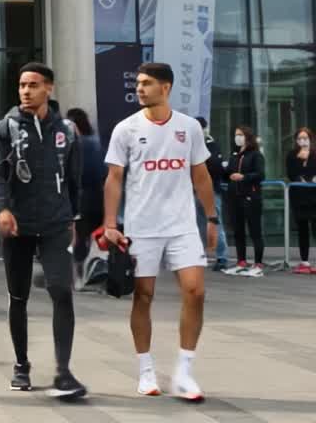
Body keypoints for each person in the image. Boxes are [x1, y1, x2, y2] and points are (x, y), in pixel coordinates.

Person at [102, 62, 217, 401]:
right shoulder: (125, 129)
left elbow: (201, 176)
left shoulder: (189, 128)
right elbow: (114, 178)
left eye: (147, 83)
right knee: (144, 296)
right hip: (142, 227)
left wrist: (212, 218)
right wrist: (110, 224)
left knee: (195, 292)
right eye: (138, 82)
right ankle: (146, 369)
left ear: (165, 87)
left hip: (182, 226)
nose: (140, 88)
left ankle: (184, 371)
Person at [0, 62, 86, 400]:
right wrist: (1, 209)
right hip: (18, 227)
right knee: (19, 296)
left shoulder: (67, 130)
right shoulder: (7, 127)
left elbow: (74, 179)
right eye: (22, 85)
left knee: (61, 291)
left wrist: (73, 216)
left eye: (33, 85)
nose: (26, 91)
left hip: (56, 225)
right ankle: (21, 364)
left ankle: (64, 371)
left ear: (49, 89)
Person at [65, 108, 104, 285]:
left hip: (81, 198)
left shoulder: (74, 144)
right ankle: (96, 271)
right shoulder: (96, 143)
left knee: (78, 237)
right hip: (98, 196)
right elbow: (103, 171)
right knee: (93, 236)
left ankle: (78, 276)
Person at [226, 126, 266, 277]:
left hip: (251, 197)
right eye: (236, 135)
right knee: (238, 231)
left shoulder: (255, 155)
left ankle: (258, 263)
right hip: (235, 197)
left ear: (247, 137)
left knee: (255, 231)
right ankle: (241, 261)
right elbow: (228, 172)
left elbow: (261, 174)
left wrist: (244, 177)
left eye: (240, 135)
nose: (238, 137)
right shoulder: (234, 155)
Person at [195, 117, 229, 271]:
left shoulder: (211, 145)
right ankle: (202, 254)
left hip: (211, 190)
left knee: (215, 222)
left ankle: (222, 257)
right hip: (194, 190)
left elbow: (216, 167)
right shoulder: (191, 144)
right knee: (199, 224)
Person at [284, 127, 316, 273]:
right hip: (299, 197)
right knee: (302, 228)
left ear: (310, 139)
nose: (302, 141)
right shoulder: (292, 155)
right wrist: (299, 159)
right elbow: (291, 173)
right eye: (300, 139)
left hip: (314, 195)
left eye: (305, 138)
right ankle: (304, 260)